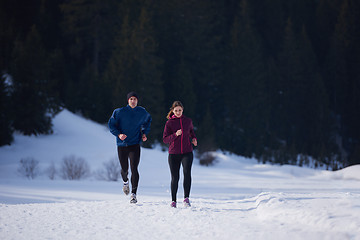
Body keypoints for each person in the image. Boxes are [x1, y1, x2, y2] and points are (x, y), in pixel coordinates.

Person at [108, 91, 152, 204]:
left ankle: (133, 194)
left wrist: (144, 133)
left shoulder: (142, 112)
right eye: (131, 99)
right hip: (122, 145)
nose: (133, 101)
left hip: (135, 144)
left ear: (137, 101)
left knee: (134, 168)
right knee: (124, 169)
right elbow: (111, 125)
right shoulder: (119, 112)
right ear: (128, 100)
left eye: (135, 99)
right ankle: (125, 182)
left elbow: (148, 121)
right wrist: (119, 134)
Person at [163, 101, 197, 208]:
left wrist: (194, 138)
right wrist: (175, 135)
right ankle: (173, 201)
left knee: (187, 173)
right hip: (174, 154)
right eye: (176, 110)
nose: (178, 112)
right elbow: (165, 139)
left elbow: (191, 131)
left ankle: (186, 199)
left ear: (183, 110)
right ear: (173, 111)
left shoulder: (188, 121)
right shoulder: (169, 123)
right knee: (175, 177)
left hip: (187, 152)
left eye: (180, 110)